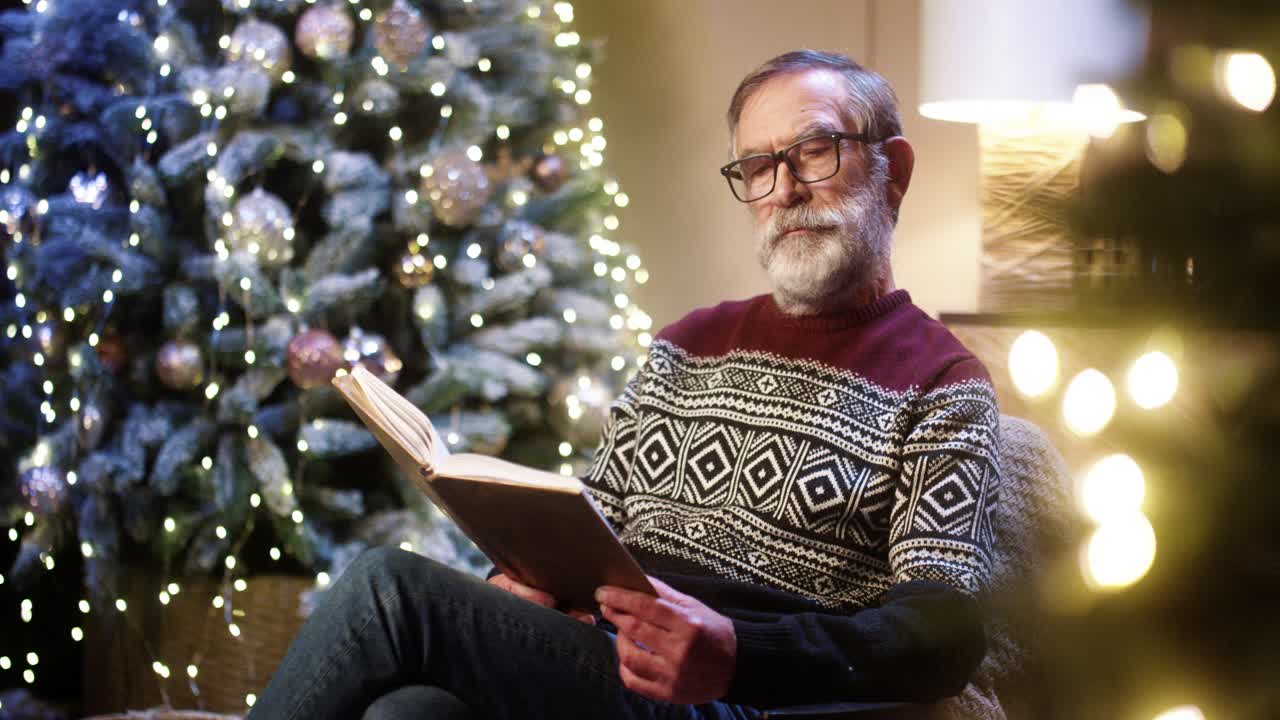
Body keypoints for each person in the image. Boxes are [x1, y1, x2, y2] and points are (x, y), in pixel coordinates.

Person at [249, 49, 1001, 720]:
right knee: (413, 711)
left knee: (391, 589)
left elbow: (945, 629)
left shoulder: (942, 384)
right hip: (600, 661)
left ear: (892, 170)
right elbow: (596, 514)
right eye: (758, 167)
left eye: (814, 151)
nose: (784, 190)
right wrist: (522, 584)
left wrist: (740, 652)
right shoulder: (688, 343)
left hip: (735, 699)